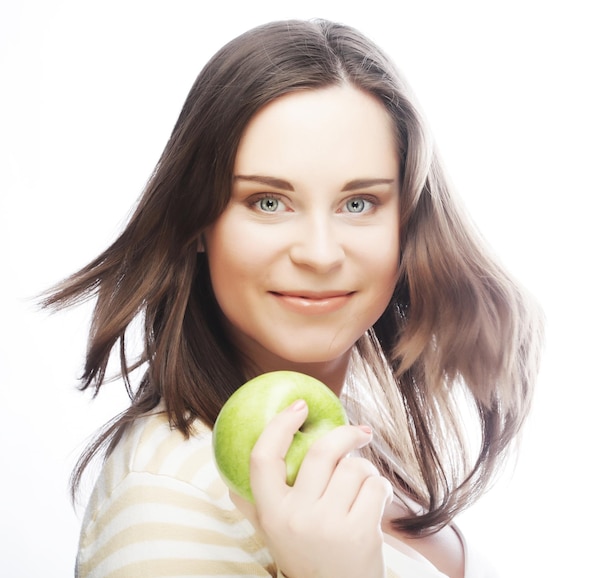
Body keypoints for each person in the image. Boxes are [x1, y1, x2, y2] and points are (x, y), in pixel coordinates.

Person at [43, 18, 544, 578]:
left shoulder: (359, 438)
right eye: (268, 202)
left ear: (407, 221)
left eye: (358, 203)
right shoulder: (170, 497)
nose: (320, 254)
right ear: (198, 223)